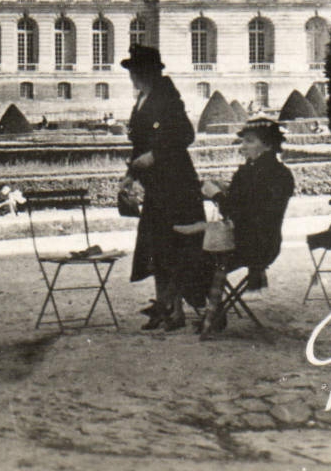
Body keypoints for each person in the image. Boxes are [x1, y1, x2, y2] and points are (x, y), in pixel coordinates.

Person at [121, 44, 206, 331]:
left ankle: (174, 308)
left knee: (173, 248)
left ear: (148, 73)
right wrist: (131, 173)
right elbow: (139, 143)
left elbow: (185, 134)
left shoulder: (167, 97)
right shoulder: (144, 98)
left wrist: (154, 156)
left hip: (177, 186)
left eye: (135, 71)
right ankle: (166, 305)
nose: (132, 76)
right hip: (158, 187)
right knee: (156, 248)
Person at [184, 119, 295, 336]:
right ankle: (214, 314)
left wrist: (215, 194)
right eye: (243, 141)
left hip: (251, 245)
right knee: (192, 257)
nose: (242, 146)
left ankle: (213, 314)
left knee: (188, 259)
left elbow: (241, 213)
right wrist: (225, 192)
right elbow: (243, 206)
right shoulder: (272, 172)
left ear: (268, 145)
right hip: (259, 242)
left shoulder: (259, 173)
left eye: (250, 141)